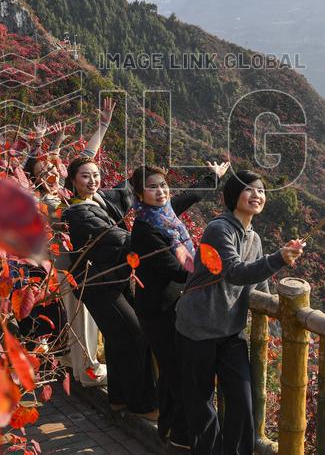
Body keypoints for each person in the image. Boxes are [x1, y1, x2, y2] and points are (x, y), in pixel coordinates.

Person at [175, 170, 304, 455]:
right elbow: (234, 272)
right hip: (198, 327)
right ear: (234, 195)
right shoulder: (219, 229)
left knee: (242, 402)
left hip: (230, 330)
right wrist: (279, 259)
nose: (257, 195)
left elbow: (258, 283)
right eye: (249, 190)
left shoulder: (253, 237)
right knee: (202, 402)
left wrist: (273, 315)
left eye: (261, 191)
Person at [130, 161, 230, 449]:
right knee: (176, 373)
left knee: (174, 371)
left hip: (174, 306)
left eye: (162, 185)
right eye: (151, 187)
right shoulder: (145, 230)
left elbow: (191, 195)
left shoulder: (165, 214)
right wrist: (218, 270)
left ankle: (169, 429)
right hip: (158, 311)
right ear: (139, 194)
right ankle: (181, 437)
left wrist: (214, 176)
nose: (160, 191)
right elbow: (176, 270)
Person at [24, 102, 116, 387]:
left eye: (55, 171)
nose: (51, 176)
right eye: (44, 174)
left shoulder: (64, 190)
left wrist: (102, 126)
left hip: (85, 266)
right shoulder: (49, 202)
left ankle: (79, 364)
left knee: (83, 319)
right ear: (37, 180)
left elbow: (86, 156)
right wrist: (38, 144)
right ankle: (87, 373)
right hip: (71, 268)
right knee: (82, 320)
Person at [62, 155, 158, 419]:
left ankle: (118, 399)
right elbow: (118, 237)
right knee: (137, 335)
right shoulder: (77, 212)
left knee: (118, 339)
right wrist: (157, 237)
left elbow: (135, 185)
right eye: (84, 176)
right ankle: (143, 405)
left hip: (116, 280)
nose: (92, 180)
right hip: (98, 286)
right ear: (72, 181)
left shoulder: (103, 198)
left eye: (95, 174)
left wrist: (207, 180)